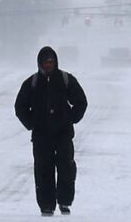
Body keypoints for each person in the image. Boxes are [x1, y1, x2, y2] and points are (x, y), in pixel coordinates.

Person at [14, 46, 88, 217]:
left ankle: (64, 202)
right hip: (41, 136)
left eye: (51, 62)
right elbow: (20, 107)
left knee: (66, 169)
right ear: (40, 64)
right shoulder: (31, 83)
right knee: (43, 170)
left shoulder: (65, 79)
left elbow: (81, 101)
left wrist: (71, 118)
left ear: (55, 62)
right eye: (45, 63)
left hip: (63, 134)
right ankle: (46, 205)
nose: (48, 65)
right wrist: (32, 122)